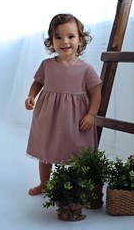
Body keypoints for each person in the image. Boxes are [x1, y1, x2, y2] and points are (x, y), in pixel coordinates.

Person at [25, 13, 102, 196]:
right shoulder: (47, 65)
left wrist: (91, 114)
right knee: (46, 149)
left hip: (75, 120)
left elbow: (96, 94)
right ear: (51, 41)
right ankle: (45, 183)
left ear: (80, 40)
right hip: (49, 117)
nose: (64, 41)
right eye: (58, 37)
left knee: (77, 151)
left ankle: (79, 185)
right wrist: (31, 96)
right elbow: (38, 82)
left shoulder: (86, 69)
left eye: (70, 36)